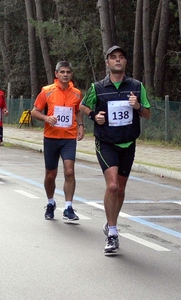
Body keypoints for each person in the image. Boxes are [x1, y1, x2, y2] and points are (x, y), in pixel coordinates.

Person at [80, 45, 151, 253]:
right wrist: (95, 116)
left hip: (128, 143)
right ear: (107, 63)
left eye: (121, 57)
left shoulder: (136, 86)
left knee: (120, 189)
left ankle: (111, 222)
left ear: (125, 62)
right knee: (112, 186)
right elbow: (83, 106)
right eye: (113, 58)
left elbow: (147, 114)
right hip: (106, 142)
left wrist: (137, 106)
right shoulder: (98, 87)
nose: (117, 60)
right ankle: (112, 232)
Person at [31, 61, 84, 221]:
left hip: (68, 138)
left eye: (68, 72)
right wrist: (47, 118)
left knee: (69, 171)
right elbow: (34, 112)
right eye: (62, 72)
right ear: (56, 74)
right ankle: (50, 202)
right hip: (51, 138)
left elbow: (78, 111)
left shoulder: (76, 93)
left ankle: (68, 207)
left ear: (71, 74)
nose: (65, 75)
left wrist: (81, 125)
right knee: (50, 175)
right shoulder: (47, 91)